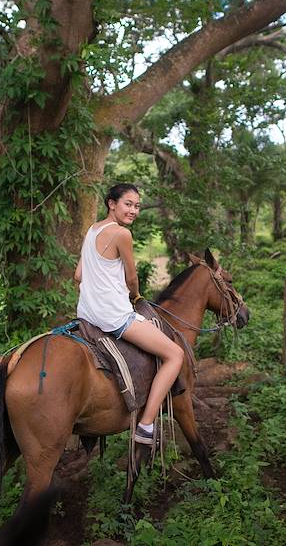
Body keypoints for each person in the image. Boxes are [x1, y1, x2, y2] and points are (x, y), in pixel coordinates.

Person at [75, 183, 184, 445]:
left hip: (87, 313)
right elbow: (131, 277)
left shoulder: (92, 230)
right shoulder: (121, 234)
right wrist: (135, 296)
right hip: (113, 316)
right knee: (175, 354)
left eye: (137, 206)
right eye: (128, 204)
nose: (133, 210)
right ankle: (146, 425)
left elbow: (78, 275)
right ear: (111, 204)